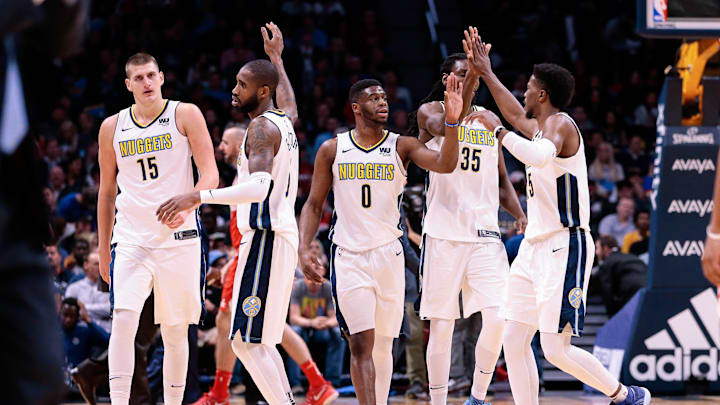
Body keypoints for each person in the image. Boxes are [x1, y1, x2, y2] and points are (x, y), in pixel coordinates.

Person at [467, 35, 650, 404]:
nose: (523, 93)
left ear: (543, 95)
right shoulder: (539, 126)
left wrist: (497, 131)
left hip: (565, 245)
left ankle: (625, 395)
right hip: (535, 247)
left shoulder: (562, 125)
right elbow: (515, 115)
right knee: (514, 338)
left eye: (529, 89)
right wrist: (486, 73)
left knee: (555, 349)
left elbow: (534, 155)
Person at [298, 68, 466, 405]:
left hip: (390, 255)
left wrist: (451, 123)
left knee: (385, 343)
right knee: (360, 342)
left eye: (384, 98)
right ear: (356, 108)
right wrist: (304, 248)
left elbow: (446, 164)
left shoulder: (402, 145)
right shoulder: (333, 149)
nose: (382, 102)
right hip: (349, 255)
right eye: (373, 98)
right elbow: (313, 203)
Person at [157, 23, 304, 405]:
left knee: (244, 342)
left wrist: (198, 197)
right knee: (259, 342)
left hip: (266, 239)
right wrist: (276, 59)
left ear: (263, 91)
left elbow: (260, 188)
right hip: (276, 239)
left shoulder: (258, 130)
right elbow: (291, 105)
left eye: (242, 84)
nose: (234, 90)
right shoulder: (282, 121)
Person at [411, 28, 527, 405]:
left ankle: (477, 396)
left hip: (486, 235)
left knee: (498, 316)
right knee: (443, 326)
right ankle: (438, 400)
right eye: (461, 74)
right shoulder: (431, 112)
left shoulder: (489, 119)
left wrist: (520, 214)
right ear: (447, 79)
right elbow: (439, 130)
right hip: (443, 234)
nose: (468, 80)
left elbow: (501, 179)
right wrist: (479, 70)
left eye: (471, 73)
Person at [97, 52, 218, 405]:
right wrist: (104, 248)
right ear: (128, 85)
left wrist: (189, 200)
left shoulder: (185, 113)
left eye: (151, 75)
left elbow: (210, 174)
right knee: (123, 319)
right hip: (131, 238)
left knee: (176, 329)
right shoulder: (112, 127)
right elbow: (107, 192)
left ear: (162, 77)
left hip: (179, 238)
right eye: (139, 78)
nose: (147, 83)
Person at [288, 258, 345, 389]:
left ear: (323, 271)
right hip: (304, 326)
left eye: (317, 269)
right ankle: (295, 384)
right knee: (294, 332)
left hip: (322, 329)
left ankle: (332, 383)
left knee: (338, 333)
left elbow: (335, 318)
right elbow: (294, 318)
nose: (314, 273)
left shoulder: (328, 287)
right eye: (310, 270)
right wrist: (312, 322)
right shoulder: (298, 287)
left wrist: (326, 323)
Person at [595, 235, 647, 317]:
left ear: (605, 248)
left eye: (597, 248)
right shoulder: (633, 257)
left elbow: (607, 293)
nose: (596, 252)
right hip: (647, 292)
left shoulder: (607, 263)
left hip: (630, 295)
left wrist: (612, 318)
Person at [65, 251, 112, 332]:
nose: (100, 267)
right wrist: (101, 310)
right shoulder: (73, 288)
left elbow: (110, 309)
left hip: (105, 333)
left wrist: (82, 307)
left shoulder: (110, 288)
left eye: (101, 264)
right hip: (81, 331)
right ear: (86, 265)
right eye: (96, 264)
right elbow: (68, 311)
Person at [61, 297, 110, 370]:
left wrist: (88, 320)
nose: (68, 320)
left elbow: (108, 340)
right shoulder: (52, 331)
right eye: (65, 315)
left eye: (72, 316)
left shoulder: (84, 331)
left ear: (78, 317)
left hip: (79, 376)